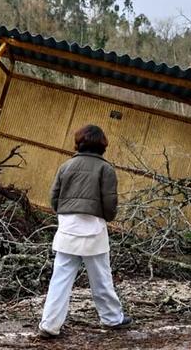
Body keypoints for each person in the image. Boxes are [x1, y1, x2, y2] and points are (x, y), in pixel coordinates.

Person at [38, 124, 132, 338]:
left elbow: (54, 199)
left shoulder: (66, 166)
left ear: (79, 142)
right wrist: (108, 217)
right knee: (101, 278)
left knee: (60, 279)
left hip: (67, 229)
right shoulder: (106, 169)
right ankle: (111, 318)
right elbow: (110, 203)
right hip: (94, 230)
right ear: (102, 145)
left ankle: (49, 326)